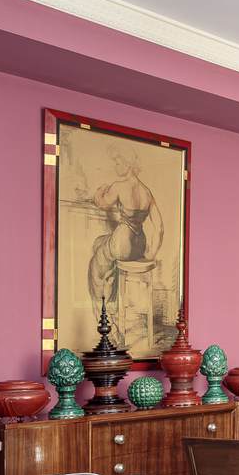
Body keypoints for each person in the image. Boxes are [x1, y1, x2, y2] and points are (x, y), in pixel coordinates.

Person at [86, 148, 164, 347]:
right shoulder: (146, 192)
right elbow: (159, 228)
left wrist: (99, 192)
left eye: (119, 162)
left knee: (95, 268)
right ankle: (112, 305)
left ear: (129, 164)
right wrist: (150, 254)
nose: (116, 165)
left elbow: (102, 203)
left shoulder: (119, 186)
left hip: (123, 241)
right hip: (139, 244)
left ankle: (104, 318)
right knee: (100, 244)